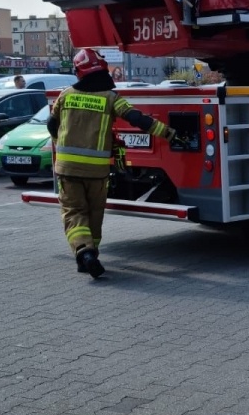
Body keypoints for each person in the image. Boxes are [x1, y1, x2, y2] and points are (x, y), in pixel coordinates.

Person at [48, 48, 179, 279]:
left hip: (68, 169)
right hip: (97, 172)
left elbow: (51, 124)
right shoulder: (111, 98)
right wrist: (168, 133)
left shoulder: (66, 95)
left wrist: (60, 145)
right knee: (94, 214)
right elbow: (137, 119)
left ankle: (84, 252)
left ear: (80, 72)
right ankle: (91, 254)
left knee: (74, 212)